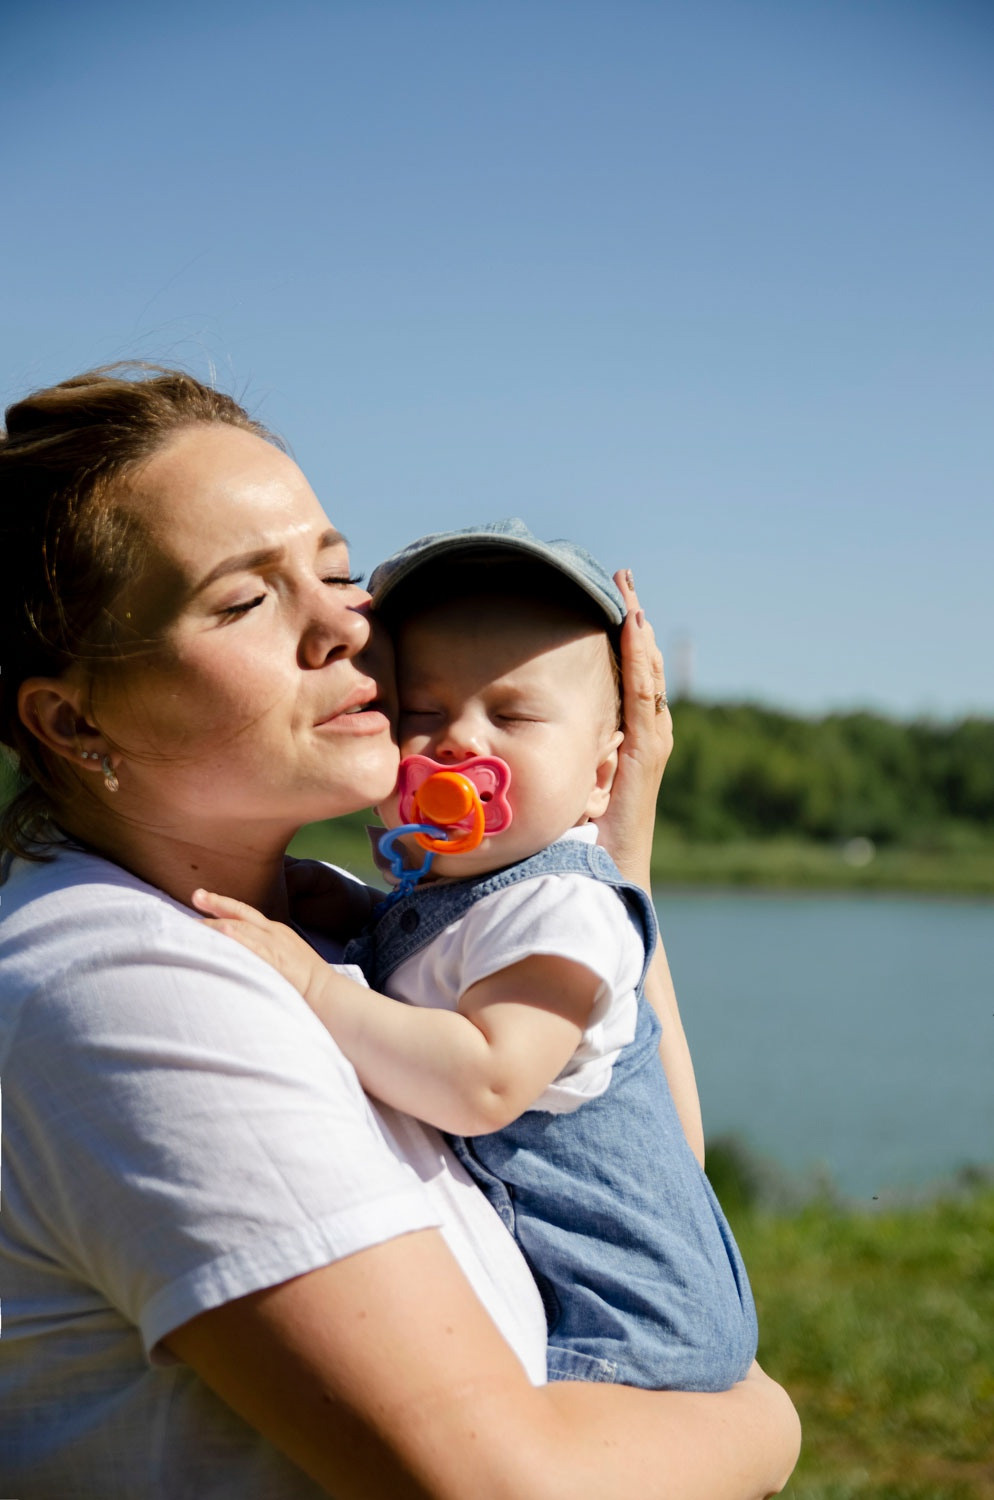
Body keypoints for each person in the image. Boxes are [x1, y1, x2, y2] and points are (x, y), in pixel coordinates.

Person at [0, 363, 800, 1499]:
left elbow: (648, 1139)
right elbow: (501, 1489)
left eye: (337, 572)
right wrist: (759, 1416)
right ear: (73, 720)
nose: (345, 625)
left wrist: (604, 851)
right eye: (245, 600)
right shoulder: (128, 991)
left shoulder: (326, 921)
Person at [195, 521, 758, 1392]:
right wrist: (360, 913)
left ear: (601, 778)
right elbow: (452, 962)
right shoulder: (479, 898)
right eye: (422, 713)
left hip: (628, 1320)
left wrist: (314, 981)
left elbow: (483, 1079)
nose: (458, 740)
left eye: (513, 714)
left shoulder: (566, 910)